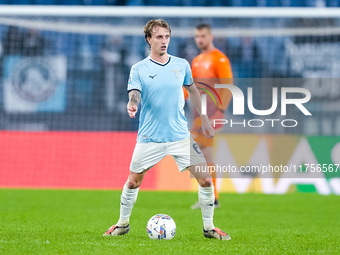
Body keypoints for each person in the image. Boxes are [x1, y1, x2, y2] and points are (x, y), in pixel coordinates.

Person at [103, 19, 231, 240]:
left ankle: (209, 228)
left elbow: (194, 91)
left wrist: (205, 118)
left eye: (167, 37)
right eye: (159, 37)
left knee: (206, 180)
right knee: (133, 181)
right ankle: (122, 224)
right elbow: (134, 93)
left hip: (180, 135)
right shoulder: (139, 68)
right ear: (149, 39)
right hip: (150, 136)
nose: (164, 41)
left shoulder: (181, 65)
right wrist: (132, 103)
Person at [188, 24, 233, 210]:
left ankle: (212, 198)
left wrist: (220, 112)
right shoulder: (196, 60)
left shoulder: (219, 59)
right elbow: (189, 87)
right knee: (199, 154)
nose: (199, 39)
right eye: (197, 36)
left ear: (211, 36)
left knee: (204, 153)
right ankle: (208, 197)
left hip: (212, 114)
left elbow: (228, 86)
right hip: (198, 115)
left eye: (203, 36)